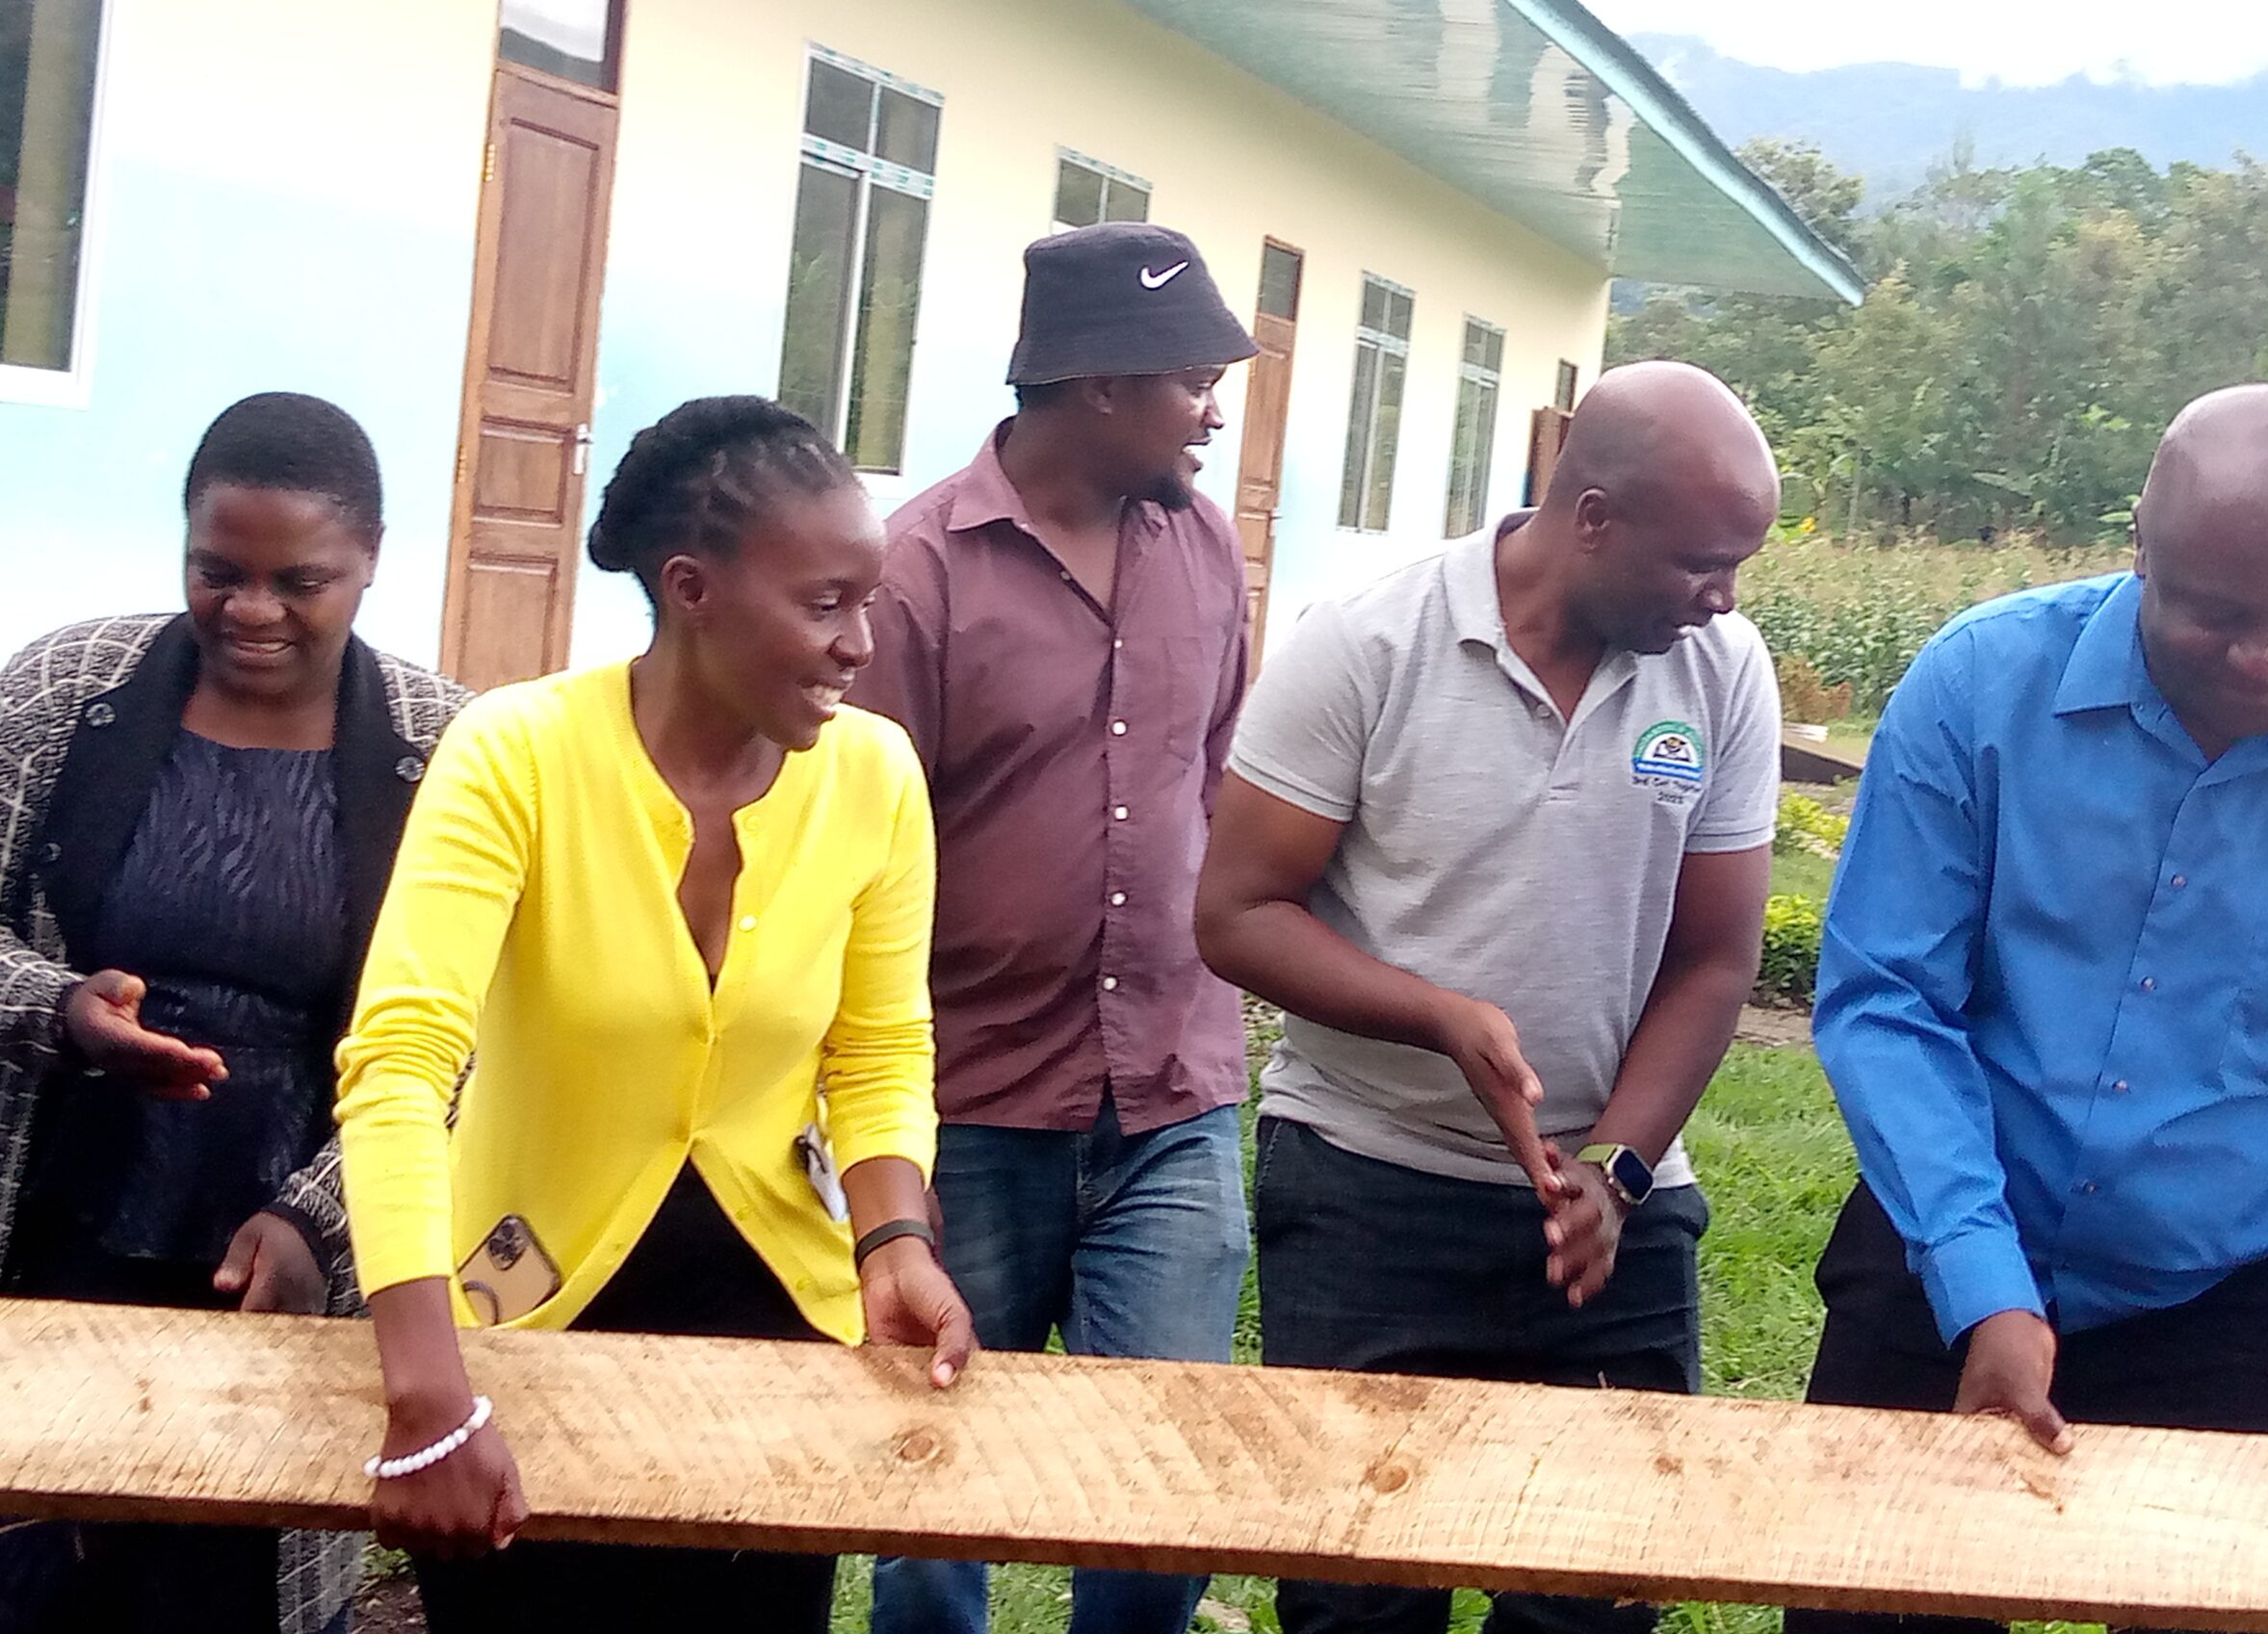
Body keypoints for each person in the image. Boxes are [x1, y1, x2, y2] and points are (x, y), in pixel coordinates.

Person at [1797, 385, 2268, 1634]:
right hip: (1951, 1241)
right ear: (2139, 552)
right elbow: (1890, 1000)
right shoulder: (1978, 688)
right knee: (1874, 1607)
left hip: (2239, 1294)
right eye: (2218, 614)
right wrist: (1985, 1284)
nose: (2266, 659)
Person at [333, 396, 975, 1631]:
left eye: (868, 603)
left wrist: (893, 1242)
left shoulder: (874, 775)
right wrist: (428, 1391)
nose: (858, 645)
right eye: (824, 603)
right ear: (691, 589)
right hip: (523, 1322)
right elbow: (403, 1063)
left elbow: (879, 1048)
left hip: (775, 1340)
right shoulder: (515, 754)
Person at [1196, 363, 1782, 1634]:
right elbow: (1237, 914)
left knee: (1598, 1597)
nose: (1724, 598)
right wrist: (1438, 1015)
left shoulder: (1721, 670)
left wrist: (1617, 1170)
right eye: (1702, 563)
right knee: (1358, 1597)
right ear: (1594, 518)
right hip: (1370, 1188)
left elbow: (1712, 960)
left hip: (1611, 1217)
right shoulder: (1370, 643)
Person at [0, 391, 465, 1634]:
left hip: (286, 1253)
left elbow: (467, 1033)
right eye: (219, 572)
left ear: (371, 559)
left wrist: (321, 1217)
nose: (252, 610)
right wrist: (61, 1008)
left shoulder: (443, 750)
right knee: (42, 1565)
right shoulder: (65, 692)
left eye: (299, 581)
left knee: (236, 1584)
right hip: (62, 1225)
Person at [859, 221, 1258, 1634]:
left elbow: (1214, 777)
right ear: (1100, 384)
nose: (1211, 415)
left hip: (1173, 1096)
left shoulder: (1205, 548)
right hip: (970, 1104)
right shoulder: (915, 571)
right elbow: (857, 848)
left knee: (1163, 1493)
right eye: (1193, 384)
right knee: (932, 1493)